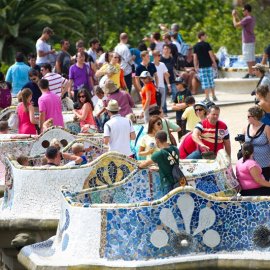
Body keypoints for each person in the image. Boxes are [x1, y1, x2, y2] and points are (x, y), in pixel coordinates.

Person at [138, 130, 180, 195]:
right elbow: (170, 165)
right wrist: (159, 169)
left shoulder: (159, 154)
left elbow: (143, 164)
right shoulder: (175, 149)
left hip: (167, 184)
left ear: (157, 140)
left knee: (167, 204)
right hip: (178, 182)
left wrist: (137, 165)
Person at [242, 106, 270, 181]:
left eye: (249, 116)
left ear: (255, 117)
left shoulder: (266, 128)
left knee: (264, 185)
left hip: (264, 162)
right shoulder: (246, 128)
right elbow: (243, 144)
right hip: (250, 163)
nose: (247, 118)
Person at [232, 4, 256, 78]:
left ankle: (251, 74)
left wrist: (233, 16)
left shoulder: (248, 19)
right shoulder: (252, 18)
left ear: (247, 10)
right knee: (251, 58)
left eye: (243, 10)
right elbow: (243, 22)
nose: (242, 12)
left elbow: (236, 25)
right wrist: (238, 15)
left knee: (249, 58)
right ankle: (252, 73)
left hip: (247, 41)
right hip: (251, 40)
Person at [193, 31, 217, 103]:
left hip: (202, 66)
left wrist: (195, 66)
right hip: (209, 65)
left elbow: (195, 57)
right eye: (205, 36)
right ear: (201, 36)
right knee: (211, 80)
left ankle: (207, 97)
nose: (205, 37)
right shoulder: (207, 45)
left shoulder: (196, 46)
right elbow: (211, 54)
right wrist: (214, 62)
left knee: (205, 82)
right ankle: (213, 95)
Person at [160, 44, 177, 115]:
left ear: (170, 50)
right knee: (163, 96)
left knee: (175, 92)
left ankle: (177, 107)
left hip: (172, 79)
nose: (166, 50)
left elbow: (173, 68)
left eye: (168, 49)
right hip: (163, 80)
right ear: (163, 50)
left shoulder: (172, 58)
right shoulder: (161, 59)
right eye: (165, 49)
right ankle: (164, 111)